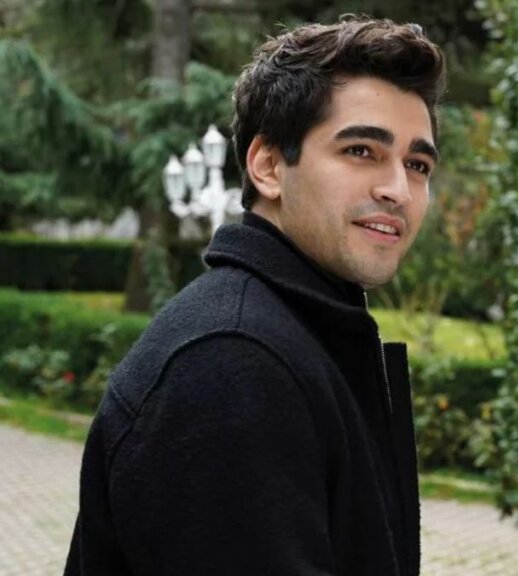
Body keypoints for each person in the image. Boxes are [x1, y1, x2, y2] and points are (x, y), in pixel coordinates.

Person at [65, 16, 445, 575]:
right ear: (268, 166)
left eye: (417, 165)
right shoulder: (231, 363)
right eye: (361, 151)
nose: (398, 190)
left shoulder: (301, 334)